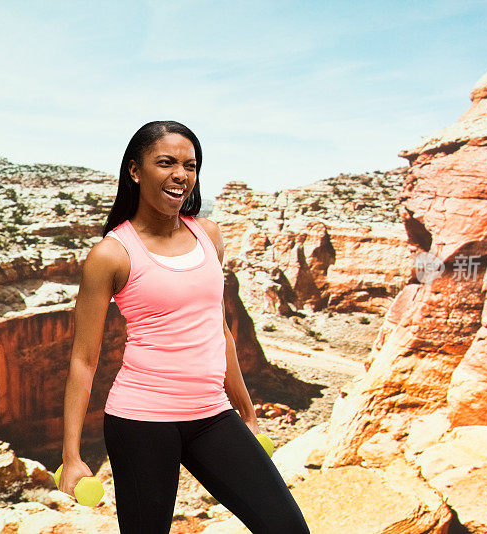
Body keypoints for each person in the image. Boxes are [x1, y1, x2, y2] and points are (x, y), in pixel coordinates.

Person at [59, 120, 310, 533]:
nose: (181, 174)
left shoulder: (207, 234)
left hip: (211, 415)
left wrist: (246, 414)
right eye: (166, 162)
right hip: (140, 422)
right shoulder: (111, 254)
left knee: (287, 527)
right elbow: (83, 361)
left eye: (190, 165)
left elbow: (221, 330)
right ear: (135, 171)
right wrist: (72, 456)